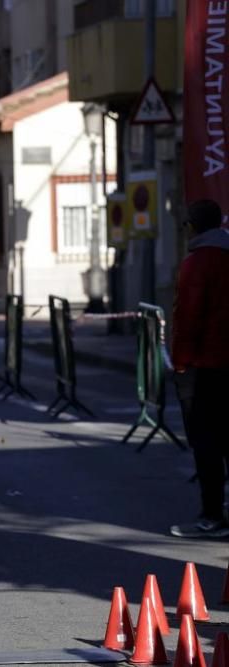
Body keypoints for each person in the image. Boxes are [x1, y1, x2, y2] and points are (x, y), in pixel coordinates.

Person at [170, 199, 229, 538]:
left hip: (206, 366)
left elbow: (188, 318)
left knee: (206, 443)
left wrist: (180, 362)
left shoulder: (197, 263)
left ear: (193, 226)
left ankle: (212, 514)